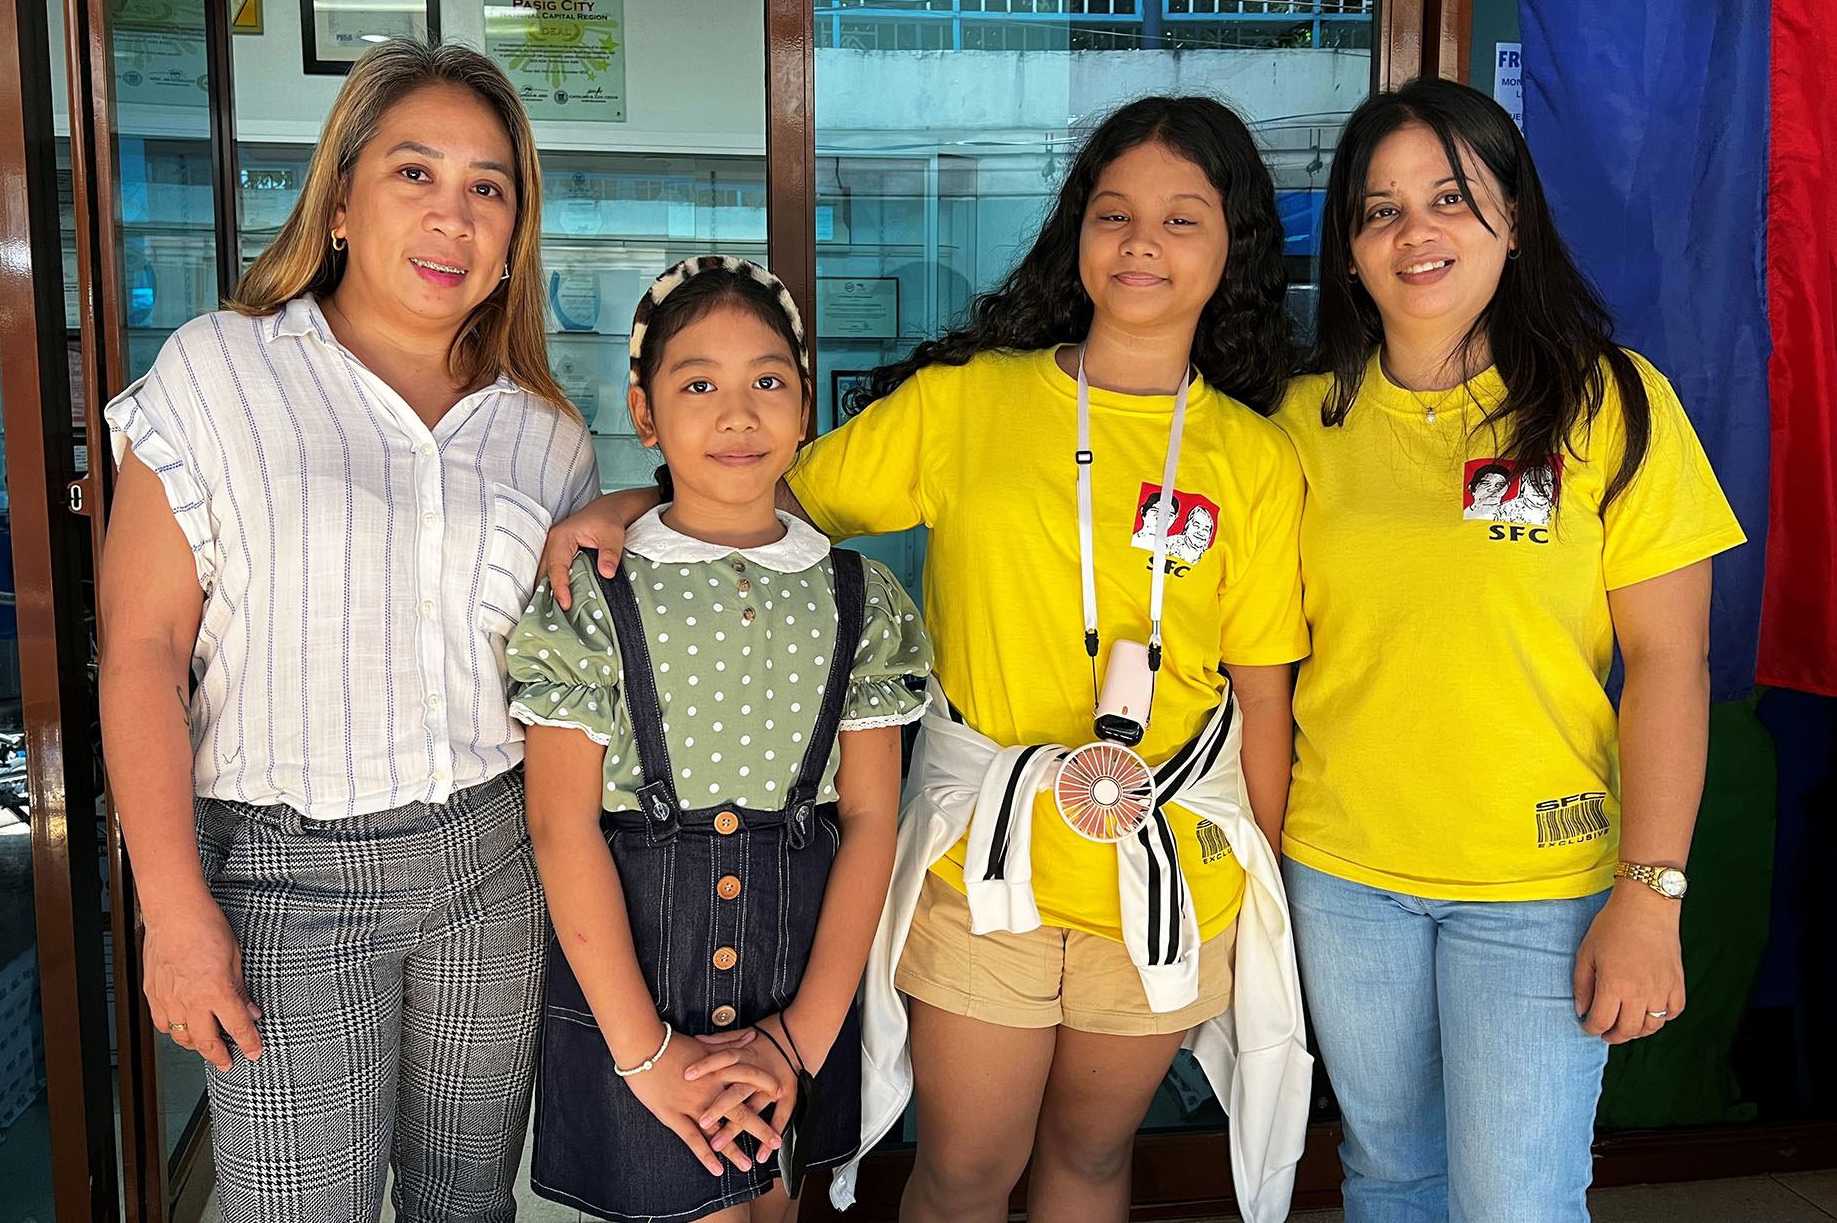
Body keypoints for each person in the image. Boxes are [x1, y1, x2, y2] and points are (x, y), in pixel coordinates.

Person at [543, 97, 1313, 1223]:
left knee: (1096, 1160)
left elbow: (1262, 699)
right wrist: (630, 502)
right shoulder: (967, 403)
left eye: (1181, 218)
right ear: (1076, 232)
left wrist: (1262, 885)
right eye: (1113, 213)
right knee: (962, 1171)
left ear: (1232, 245)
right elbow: (767, 489)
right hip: (982, 869)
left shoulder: (1255, 456)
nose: (1141, 243)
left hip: (1165, 874)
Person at [98, 39, 594, 1223]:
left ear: (513, 233)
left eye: (487, 187)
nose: (451, 216)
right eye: (412, 173)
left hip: (493, 861)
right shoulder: (220, 372)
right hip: (285, 875)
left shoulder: (545, 435)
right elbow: (141, 650)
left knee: (465, 1198)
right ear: (337, 200)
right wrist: (173, 911)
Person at [1273, 76, 1745, 1223]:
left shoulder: (1610, 405)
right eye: (1379, 208)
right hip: (1343, 879)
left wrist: (1649, 894)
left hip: (1538, 887)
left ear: (1513, 219)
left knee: (1514, 1201)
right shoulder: (1297, 425)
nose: (1413, 231)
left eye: (1449, 197)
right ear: (1346, 249)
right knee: (1387, 1179)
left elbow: (1670, 668)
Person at [512, 255, 930, 1223]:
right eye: (696, 383)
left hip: (796, 977)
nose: (736, 414)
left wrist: (801, 1035)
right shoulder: (592, 595)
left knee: (777, 1208)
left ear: (802, 408)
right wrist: (645, 1053)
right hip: (638, 986)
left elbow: (869, 820)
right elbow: (561, 828)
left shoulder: (858, 596)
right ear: (644, 413)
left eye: (767, 381)